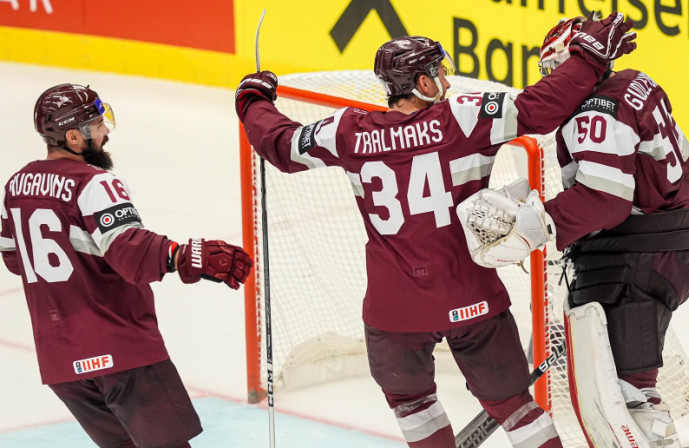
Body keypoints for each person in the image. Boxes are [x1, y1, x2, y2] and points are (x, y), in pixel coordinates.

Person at [235, 13, 635, 448]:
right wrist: (588, 59)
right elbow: (541, 107)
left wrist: (253, 100)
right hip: (471, 298)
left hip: (394, 312)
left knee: (413, 405)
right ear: (423, 84)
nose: (446, 76)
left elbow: (281, 145)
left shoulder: (347, 132)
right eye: (439, 70)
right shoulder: (463, 118)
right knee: (518, 411)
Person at [0, 83, 253, 448]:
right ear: (73, 136)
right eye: (97, 126)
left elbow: (14, 257)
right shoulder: (94, 183)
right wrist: (184, 256)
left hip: (61, 362)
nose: (105, 133)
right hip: (122, 353)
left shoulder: (16, 187)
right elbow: (130, 250)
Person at [535, 14, 689, 447]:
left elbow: (604, 199)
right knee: (631, 389)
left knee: (626, 399)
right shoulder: (633, 82)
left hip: (632, 264)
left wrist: (541, 222)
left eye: (556, 71)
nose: (555, 84)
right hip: (669, 248)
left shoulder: (595, 109)